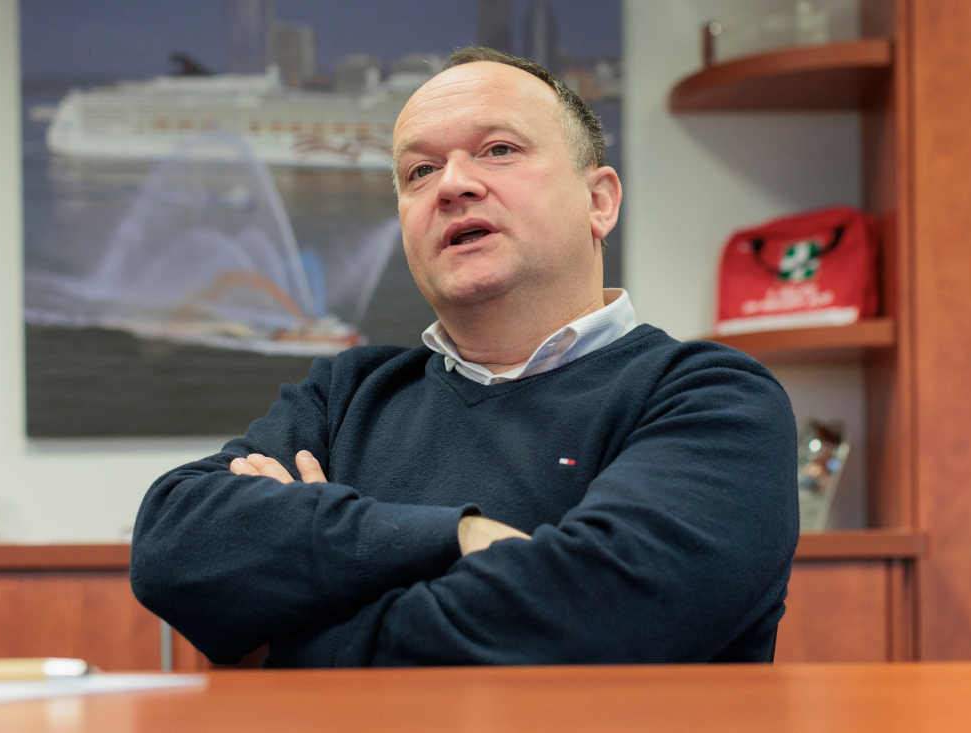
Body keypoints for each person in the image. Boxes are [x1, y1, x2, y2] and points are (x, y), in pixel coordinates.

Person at [130, 47, 799, 666]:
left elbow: (600, 617)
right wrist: (460, 537)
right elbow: (172, 544)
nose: (452, 184)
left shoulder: (711, 397)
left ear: (599, 201)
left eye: (498, 149)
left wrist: (290, 646)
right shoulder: (345, 394)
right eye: (419, 171)